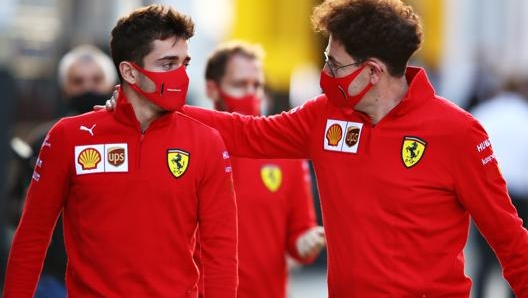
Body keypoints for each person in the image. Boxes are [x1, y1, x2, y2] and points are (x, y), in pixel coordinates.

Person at [179, 0, 528, 297]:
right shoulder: (324, 116)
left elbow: (510, 239)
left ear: (373, 72)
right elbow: (249, 134)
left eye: (334, 64)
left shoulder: (457, 132)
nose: (324, 72)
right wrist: (167, 107)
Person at [3, 4, 238, 298]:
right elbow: (32, 238)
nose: (180, 75)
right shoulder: (68, 137)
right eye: (167, 64)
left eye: (184, 63)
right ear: (129, 71)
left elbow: (221, 250)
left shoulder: (207, 142)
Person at [196, 40, 325, 298]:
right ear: (212, 89)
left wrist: (307, 243)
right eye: (240, 85)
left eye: (257, 85)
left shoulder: (286, 155)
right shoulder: (191, 150)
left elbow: (300, 238)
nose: (252, 94)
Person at [7, 44, 117, 298]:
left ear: (111, 82)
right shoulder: (45, 140)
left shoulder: (132, 137)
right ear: (65, 88)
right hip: (55, 276)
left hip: (112, 277)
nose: (88, 87)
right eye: (78, 80)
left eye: (96, 79)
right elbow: (19, 213)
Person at [469, 76, 528, 298]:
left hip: (486, 190)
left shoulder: (484, 112)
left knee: (484, 258)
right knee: (516, 255)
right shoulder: (525, 116)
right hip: (520, 193)